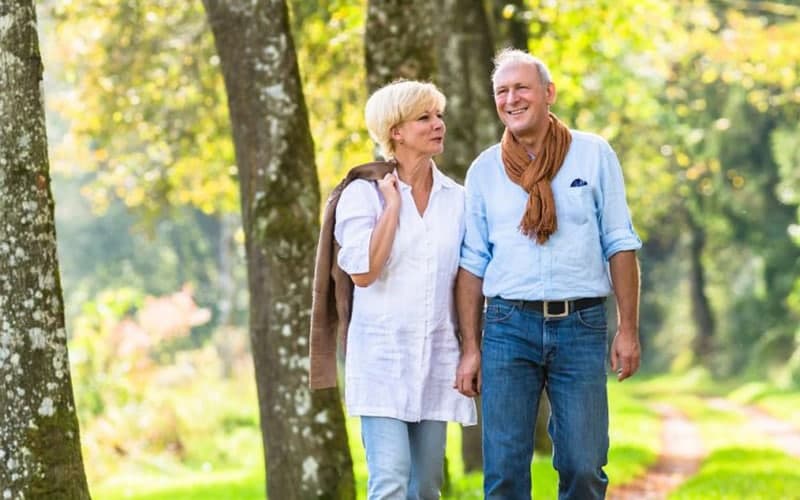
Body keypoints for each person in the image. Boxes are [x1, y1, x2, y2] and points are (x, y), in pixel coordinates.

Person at [454, 48, 642, 499]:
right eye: (502, 91)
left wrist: (628, 330)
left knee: (583, 464)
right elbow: (472, 263)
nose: (511, 99)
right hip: (505, 326)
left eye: (522, 88)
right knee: (503, 471)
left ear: (548, 93)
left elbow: (619, 242)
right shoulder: (483, 171)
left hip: (581, 325)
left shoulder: (594, 154)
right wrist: (470, 347)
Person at [331, 80, 477, 500]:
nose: (439, 125)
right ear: (395, 131)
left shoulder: (458, 199)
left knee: (427, 487)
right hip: (382, 360)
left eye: (439, 115)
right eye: (425, 117)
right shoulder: (362, 195)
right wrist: (393, 208)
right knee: (390, 481)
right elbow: (363, 272)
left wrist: (471, 347)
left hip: (435, 359)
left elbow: (468, 277)